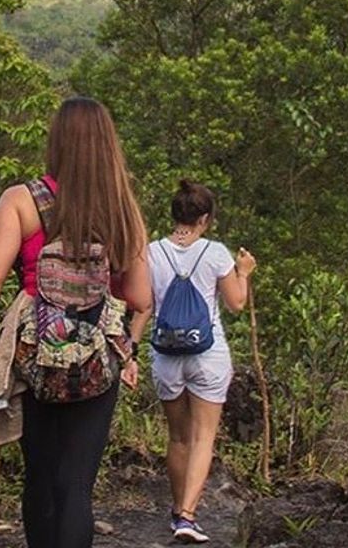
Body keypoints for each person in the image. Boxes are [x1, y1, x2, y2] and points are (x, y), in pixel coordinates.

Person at [0, 96, 152, 548]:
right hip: (98, 354)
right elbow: (140, 297)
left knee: (40, 477)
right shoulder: (123, 210)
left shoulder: (23, 200)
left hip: (36, 350)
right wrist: (128, 348)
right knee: (76, 485)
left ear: (56, 142)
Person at [123, 179, 257, 544]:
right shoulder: (215, 253)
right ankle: (187, 515)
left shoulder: (151, 252)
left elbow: (144, 305)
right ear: (206, 218)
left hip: (166, 356)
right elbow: (236, 303)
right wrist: (243, 273)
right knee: (203, 437)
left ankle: (176, 511)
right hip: (207, 355)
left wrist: (129, 351)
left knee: (178, 437)